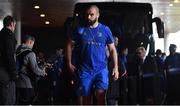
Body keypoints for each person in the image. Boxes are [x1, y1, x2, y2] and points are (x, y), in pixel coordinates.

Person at [66, 5, 119, 105]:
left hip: (101, 69)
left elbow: (112, 49)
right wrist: (69, 63)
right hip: (85, 70)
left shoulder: (105, 30)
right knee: (86, 99)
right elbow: (69, 45)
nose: (88, 17)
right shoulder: (80, 30)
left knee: (100, 95)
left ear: (98, 15)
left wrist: (115, 67)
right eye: (87, 15)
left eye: (91, 15)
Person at [16, 35, 47, 105]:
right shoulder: (30, 53)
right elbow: (35, 69)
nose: (32, 46)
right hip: (27, 84)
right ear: (30, 42)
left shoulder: (17, 51)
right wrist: (43, 72)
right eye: (33, 44)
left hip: (17, 83)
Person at [0, 15, 17, 105]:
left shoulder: (1, 34)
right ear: (11, 24)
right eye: (14, 25)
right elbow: (10, 56)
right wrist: (14, 74)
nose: (15, 27)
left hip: (1, 72)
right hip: (6, 74)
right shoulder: (9, 36)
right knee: (9, 100)